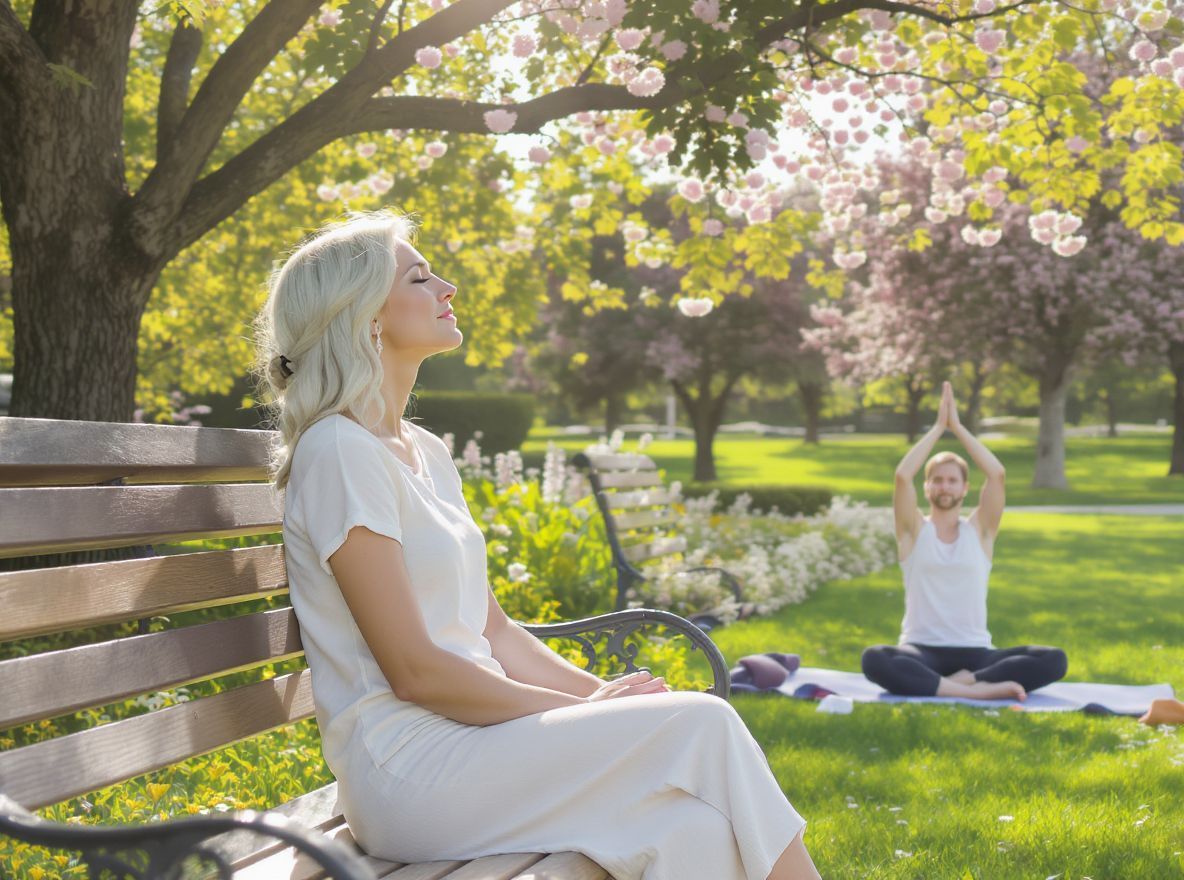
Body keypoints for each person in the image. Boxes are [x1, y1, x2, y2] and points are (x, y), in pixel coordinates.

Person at [254, 209, 820, 880]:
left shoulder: (424, 451)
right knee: (703, 723)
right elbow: (415, 672)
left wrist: (612, 701)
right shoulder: (340, 452)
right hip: (409, 768)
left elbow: (494, 630)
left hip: (482, 746)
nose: (448, 288)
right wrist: (588, 714)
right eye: (420, 278)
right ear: (365, 315)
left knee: (689, 828)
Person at [861, 382, 1068, 701]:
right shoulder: (912, 531)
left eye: (952, 480)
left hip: (976, 653)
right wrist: (937, 428)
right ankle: (975, 692)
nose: (944, 486)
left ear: (965, 488)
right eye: (937, 480)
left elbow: (997, 474)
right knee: (875, 658)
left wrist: (957, 427)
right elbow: (902, 476)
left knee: (1054, 659)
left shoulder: (981, 531)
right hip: (921, 651)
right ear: (927, 487)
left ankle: (963, 682)